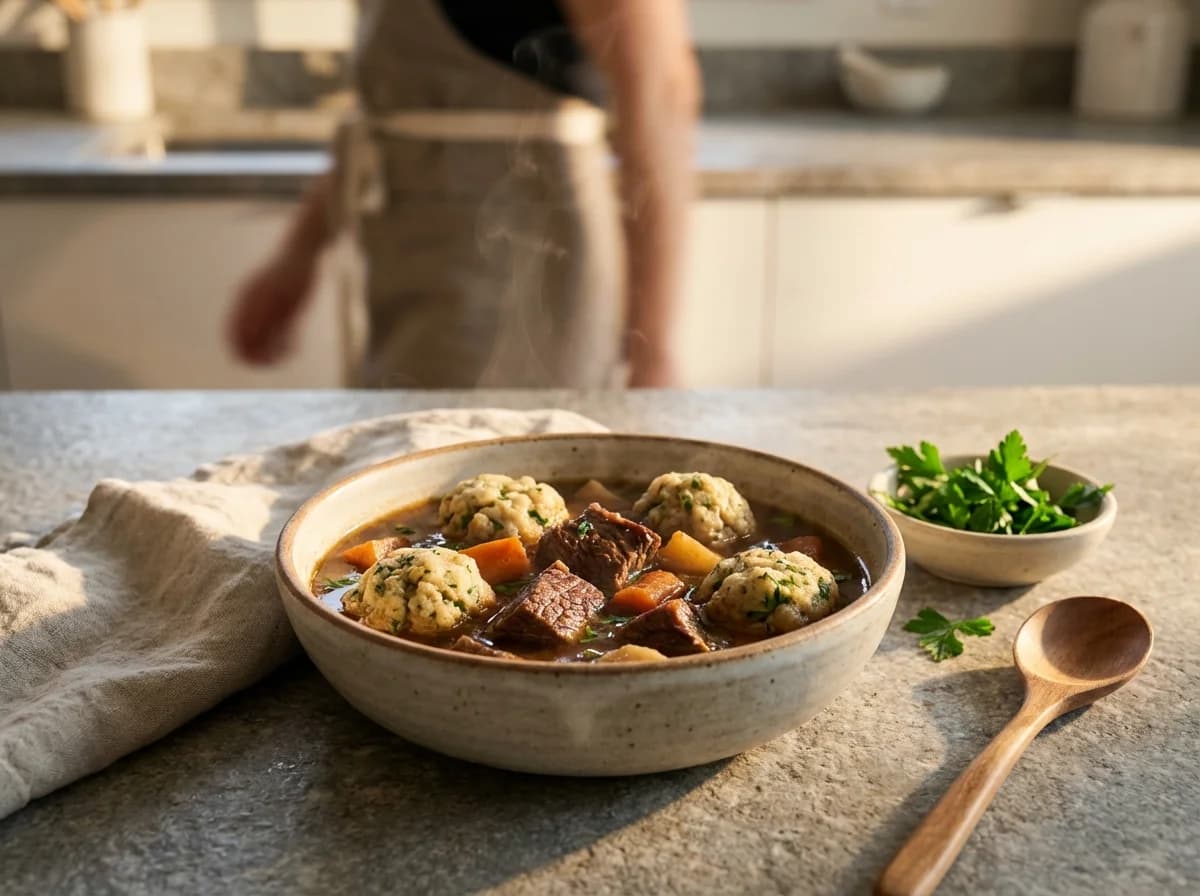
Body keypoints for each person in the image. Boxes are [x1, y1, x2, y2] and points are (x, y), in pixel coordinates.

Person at [228, 0, 700, 389]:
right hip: (401, 261)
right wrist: (298, 254)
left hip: (521, 261)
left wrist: (652, 349)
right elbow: (390, 114)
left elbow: (662, 98)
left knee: (493, 473)